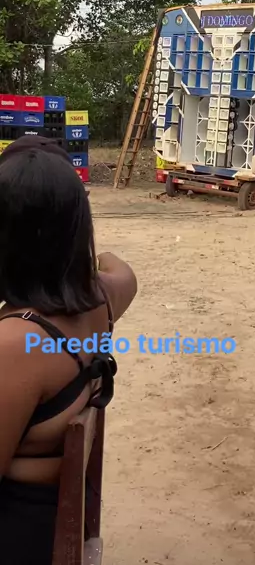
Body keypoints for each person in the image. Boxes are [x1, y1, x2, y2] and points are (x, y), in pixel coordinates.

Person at [0, 136, 137, 565]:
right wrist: (87, 259)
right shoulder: (99, 301)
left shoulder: (16, 344)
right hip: (51, 523)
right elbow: (123, 271)